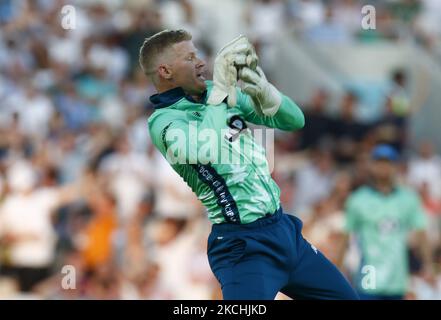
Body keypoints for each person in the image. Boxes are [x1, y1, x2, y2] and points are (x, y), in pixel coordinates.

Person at [139, 29, 358, 300]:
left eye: (198, 54)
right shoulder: (164, 121)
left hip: (284, 231)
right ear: (165, 70)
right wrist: (221, 90)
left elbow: (294, 120)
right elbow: (207, 150)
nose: (201, 62)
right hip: (242, 246)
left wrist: (262, 88)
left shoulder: (214, 95)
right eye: (190, 57)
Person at [337, 144, 434, 300]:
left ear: (395, 166)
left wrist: (428, 265)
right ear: (372, 166)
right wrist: (337, 270)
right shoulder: (358, 199)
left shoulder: (408, 198)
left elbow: (421, 233)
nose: (384, 167)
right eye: (379, 162)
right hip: (368, 278)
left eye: (388, 162)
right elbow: (345, 237)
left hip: (397, 280)